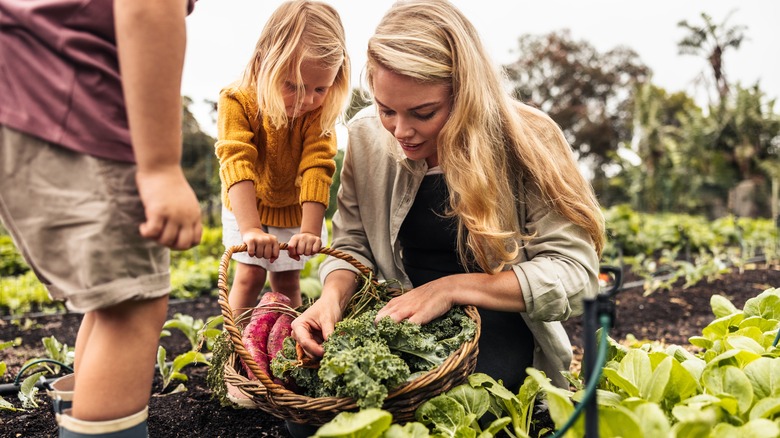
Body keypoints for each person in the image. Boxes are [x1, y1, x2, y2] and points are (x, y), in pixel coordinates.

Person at [292, 0, 605, 399]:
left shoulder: (529, 138)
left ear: (466, 93)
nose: (401, 131)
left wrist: (450, 289)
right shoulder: (368, 136)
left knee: (461, 401)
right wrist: (331, 299)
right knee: (308, 411)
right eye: (387, 109)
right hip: (396, 315)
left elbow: (575, 274)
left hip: (494, 322)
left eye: (424, 112)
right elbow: (352, 244)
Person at [0, 0, 202, 436]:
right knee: (132, 307)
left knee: (111, 301)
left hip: (24, 89)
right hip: (65, 99)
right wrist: (161, 167)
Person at [215, 0, 350, 316]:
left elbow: (317, 165)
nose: (308, 99)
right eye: (294, 86)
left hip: (293, 209)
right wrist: (250, 229)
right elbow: (237, 160)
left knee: (288, 283)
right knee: (249, 276)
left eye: (321, 88)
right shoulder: (237, 100)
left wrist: (310, 231)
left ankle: (290, 350)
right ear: (264, 64)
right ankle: (235, 352)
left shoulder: (319, 111)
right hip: (247, 203)